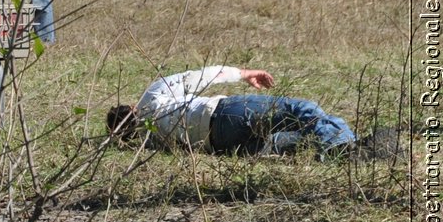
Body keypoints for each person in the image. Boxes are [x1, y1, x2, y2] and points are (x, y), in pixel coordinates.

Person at [106, 65, 393, 158]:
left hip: (221, 146)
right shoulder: (151, 97)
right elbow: (204, 75)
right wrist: (244, 73)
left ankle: (351, 148)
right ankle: (346, 150)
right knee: (301, 110)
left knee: (292, 140)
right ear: (132, 107)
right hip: (223, 114)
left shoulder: (150, 143)